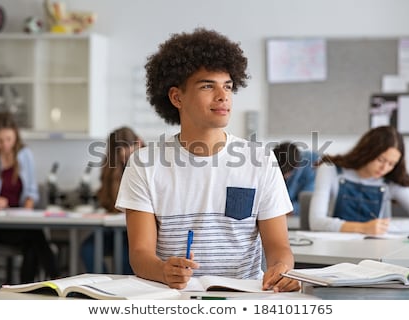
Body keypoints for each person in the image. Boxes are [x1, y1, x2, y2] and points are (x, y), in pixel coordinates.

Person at [116, 28, 299, 292]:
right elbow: (140, 254)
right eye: (207, 86)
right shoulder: (144, 164)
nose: (223, 95)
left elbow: (279, 247)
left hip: (244, 297)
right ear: (177, 97)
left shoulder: (260, 160)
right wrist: (163, 271)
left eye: (227, 86)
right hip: (175, 299)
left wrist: (281, 267)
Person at [309, 125, 409, 234]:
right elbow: (316, 221)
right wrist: (363, 228)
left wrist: (383, 227)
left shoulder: (391, 182)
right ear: (367, 152)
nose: (384, 168)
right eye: (381, 160)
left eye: (392, 164)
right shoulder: (330, 170)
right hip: (333, 246)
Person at [0, 111, 59, 283]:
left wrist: (27, 207)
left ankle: (27, 288)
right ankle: (55, 279)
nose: (4, 145)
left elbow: (31, 191)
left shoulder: (25, 155)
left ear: (15, 136)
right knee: (35, 236)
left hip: (17, 224)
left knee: (32, 242)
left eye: (9, 139)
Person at [80, 126, 144, 274]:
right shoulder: (113, 166)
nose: (123, 154)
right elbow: (109, 201)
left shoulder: (149, 164)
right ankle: (101, 288)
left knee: (124, 255)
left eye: (127, 148)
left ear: (138, 143)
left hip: (138, 228)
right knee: (88, 249)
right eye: (118, 150)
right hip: (116, 228)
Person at [273, 141, 319, 215]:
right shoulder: (274, 162)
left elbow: (307, 204)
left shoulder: (311, 166)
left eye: (284, 174)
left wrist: (285, 210)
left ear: (296, 166)